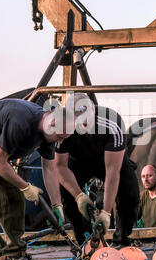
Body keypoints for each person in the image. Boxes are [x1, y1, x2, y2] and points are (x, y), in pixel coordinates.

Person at [0, 98, 74, 260]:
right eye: (60, 137)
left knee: (14, 197)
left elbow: (49, 170)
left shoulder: (48, 136)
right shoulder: (21, 121)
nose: (60, 142)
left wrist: (57, 205)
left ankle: (16, 252)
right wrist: (26, 186)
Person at [55, 93, 140, 247]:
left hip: (110, 160)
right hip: (79, 162)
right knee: (66, 193)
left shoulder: (111, 123)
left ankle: (122, 239)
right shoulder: (62, 126)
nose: (84, 124)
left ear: (93, 110)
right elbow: (59, 166)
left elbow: (113, 172)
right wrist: (79, 196)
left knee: (130, 192)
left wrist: (106, 212)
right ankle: (86, 242)